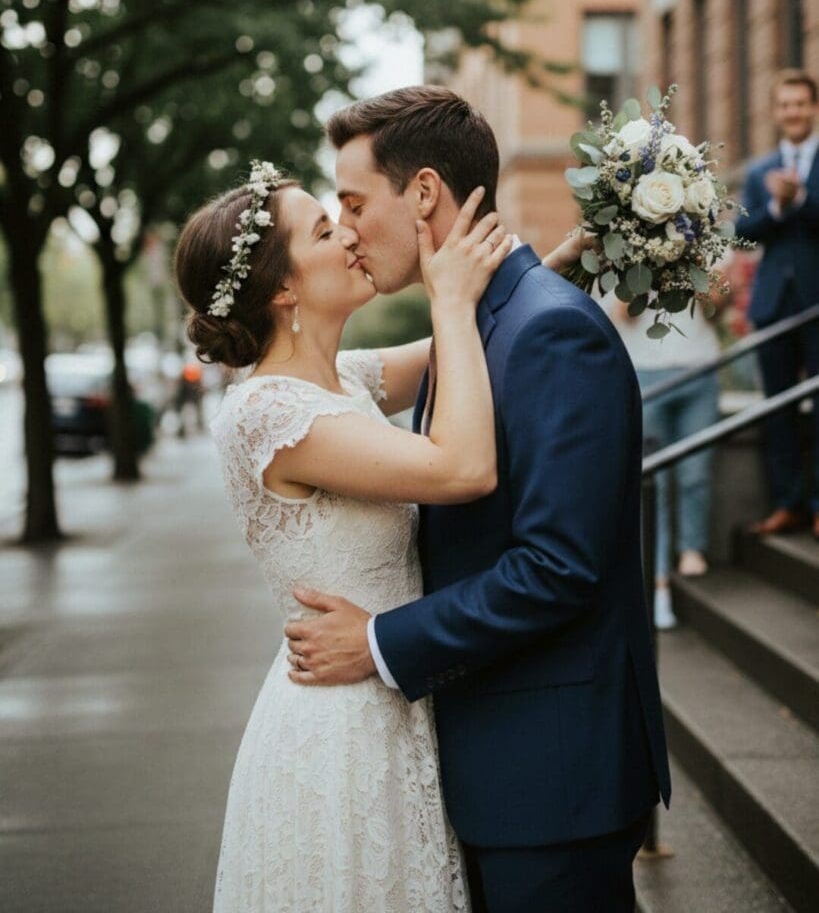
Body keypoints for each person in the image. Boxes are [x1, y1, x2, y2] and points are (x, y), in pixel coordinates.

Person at [284, 86, 670, 913]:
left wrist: (380, 640)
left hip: (551, 778)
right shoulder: (481, 324)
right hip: (497, 762)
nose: (345, 228)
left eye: (353, 203)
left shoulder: (546, 331)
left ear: (423, 193)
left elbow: (559, 566)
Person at [175, 154, 596, 911]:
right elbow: (462, 466)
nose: (350, 237)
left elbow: (476, 348)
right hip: (338, 727)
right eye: (325, 229)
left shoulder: (344, 382)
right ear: (281, 286)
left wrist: (552, 267)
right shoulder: (271, 414)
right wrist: (448, 301)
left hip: (393, 697)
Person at [737, 69, 819, 541]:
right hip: (773, 304)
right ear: (775, 112)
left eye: (800, 103)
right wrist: (776, 208)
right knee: (776, 412)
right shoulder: (757, 171)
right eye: (785, 104)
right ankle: (788, 504)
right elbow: (744, 233)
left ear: (812, 108)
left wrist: (802, 199)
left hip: (816, 304)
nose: (792, 112)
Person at [606, 300, 722, 630]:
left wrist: (695, 264)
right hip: (644, 369)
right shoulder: (620, 249)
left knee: (695, 473)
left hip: (699, 366)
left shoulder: (708, 246)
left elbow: (719, 307)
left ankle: (692, 549)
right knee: (650, 482)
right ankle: (656, 583)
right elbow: (623, 314)